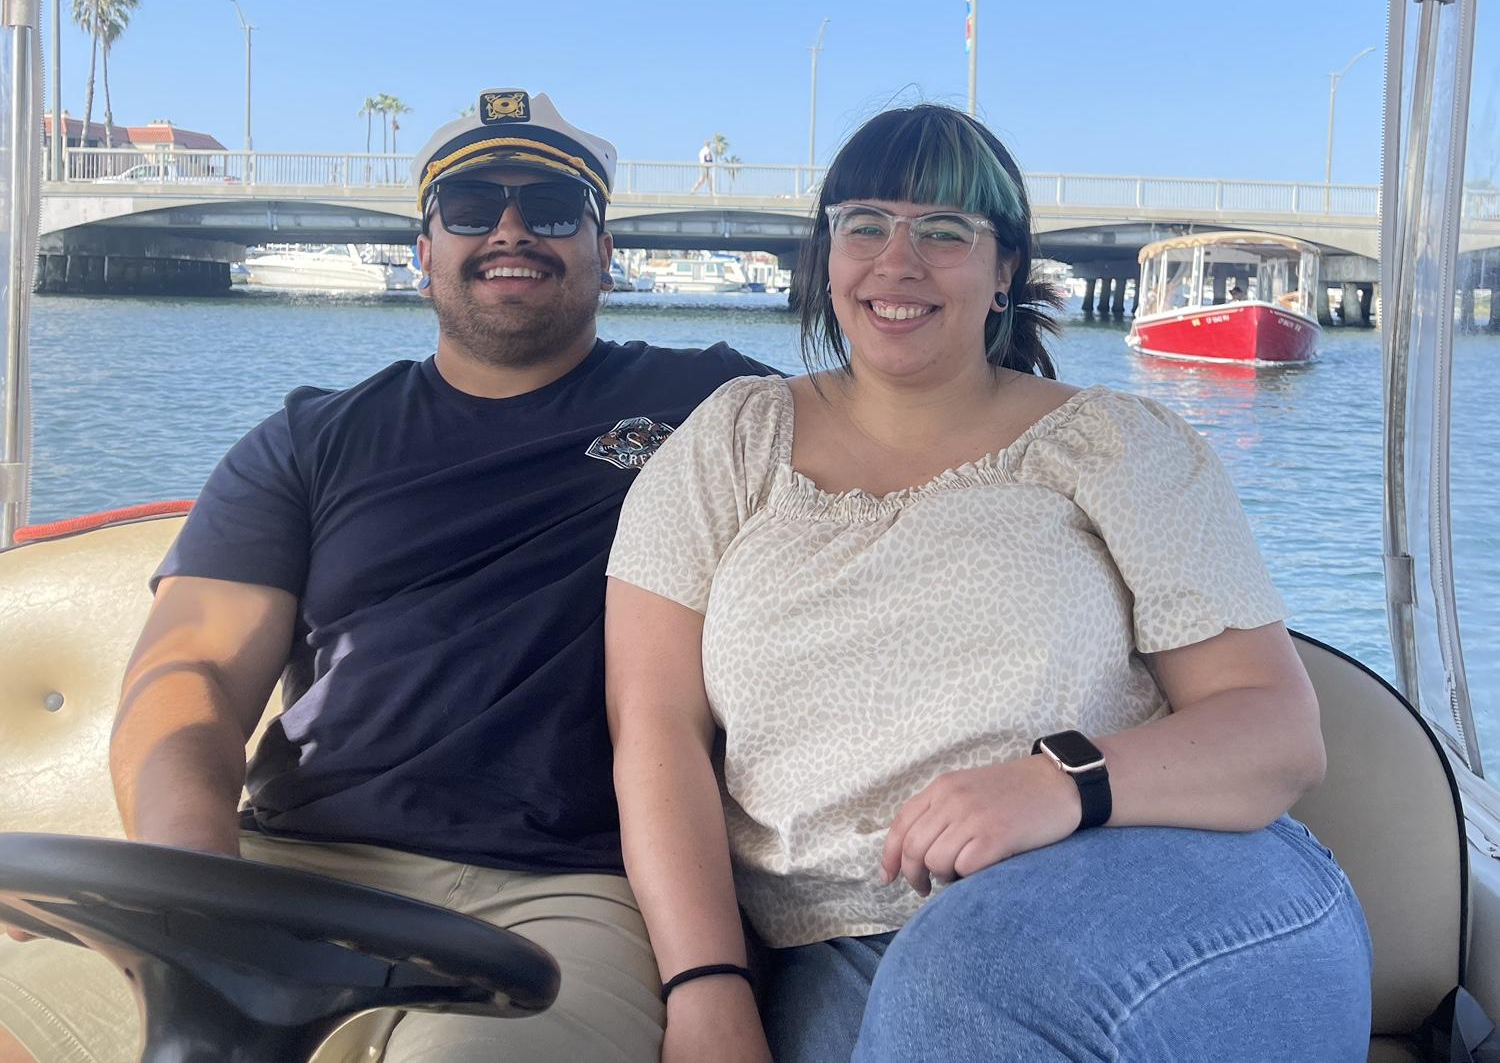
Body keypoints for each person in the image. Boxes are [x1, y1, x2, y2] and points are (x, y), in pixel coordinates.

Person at [0, 88, 771, 1063]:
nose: (509, 230)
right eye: (471, 206)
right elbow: (194, 673)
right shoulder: (309, 441)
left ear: (604, 249)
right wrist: (194, 886)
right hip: (289, 861)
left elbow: (909, 442)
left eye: (550, 208)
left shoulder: (717, 403)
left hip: (565, 889)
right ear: (423, 250)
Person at [605, 103, 1372, 1063]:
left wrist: (1057, 784)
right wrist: (706, 986)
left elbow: (1277, 730)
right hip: (843, 947)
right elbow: (656, 729)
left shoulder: (1116, 445)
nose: (897, 261)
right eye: (865, 226)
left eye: (943, 232)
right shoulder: (730, 441)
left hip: (1154, 876)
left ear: (1005, 268)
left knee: (963, 978)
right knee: (940, 993)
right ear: (827, 256)